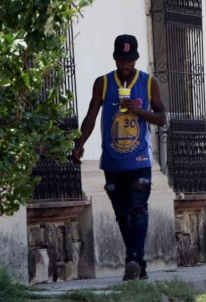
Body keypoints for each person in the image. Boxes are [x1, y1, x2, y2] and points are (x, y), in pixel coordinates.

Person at [72, 34, 167, 280]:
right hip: (112, 162)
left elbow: (162, 117)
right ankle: (138, 263)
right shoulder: (103, 83)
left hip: (139, 161)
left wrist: (138, 111)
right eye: (121, 60)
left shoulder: (148, 83)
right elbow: (91, 117)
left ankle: (133, 259)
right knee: (123, 216)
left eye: (129, 60)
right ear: (115, 58)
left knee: (138, 209)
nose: (125, 65)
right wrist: (80, 144)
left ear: (136, 59)